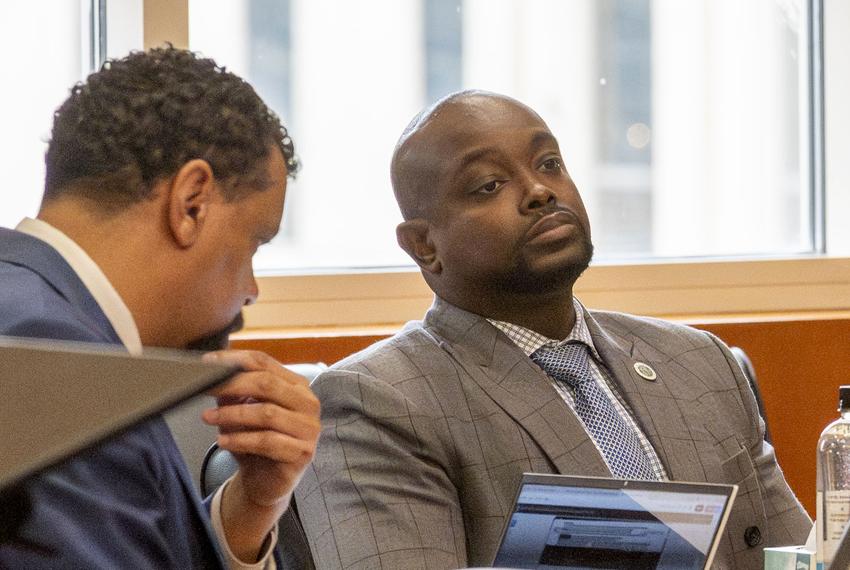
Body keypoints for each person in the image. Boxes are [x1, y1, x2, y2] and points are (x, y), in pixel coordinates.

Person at [294, 90, 811, 569]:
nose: (540, 191)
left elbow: (804, 557)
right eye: (490, 185)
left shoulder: (699, 361)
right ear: (423, 245)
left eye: (550, 164)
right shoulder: (374, 403)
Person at [0, 46, 320, 568]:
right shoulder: (59, 361)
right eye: (254, 243)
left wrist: (251, 509)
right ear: (191, 202)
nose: (252, 290)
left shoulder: (49, 320)